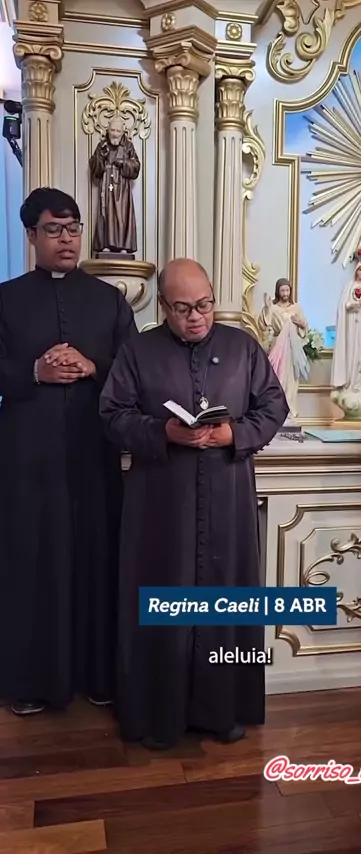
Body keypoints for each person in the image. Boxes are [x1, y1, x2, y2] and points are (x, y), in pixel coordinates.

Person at [99, 258, 289, 750]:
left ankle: (224, 711)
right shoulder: (138, 351)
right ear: (164, 306)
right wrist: (163, 431)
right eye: (183, 308)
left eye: (204, 305)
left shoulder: (242, 347)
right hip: (161, 505)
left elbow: (274, 406)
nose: (196, 317)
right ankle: (157, 717)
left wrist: (234, 433)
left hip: (227, 498)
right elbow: (112, 414)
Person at [0, 186, 137, 716]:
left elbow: (137, 371)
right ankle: (34, 683)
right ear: (31, 236)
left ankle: (99, 676)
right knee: (33, 564)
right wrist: (34, 371)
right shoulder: (6, 298)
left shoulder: (109, 300)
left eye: (73, 229)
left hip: (92, 458)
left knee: (97, 560)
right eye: (54, 230)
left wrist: (94, 367)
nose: (67, 239)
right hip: (26, 462)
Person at [258, 278, 309, 418]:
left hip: (292, 348)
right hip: (278, 346)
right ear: (278, 291)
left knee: (291, 380)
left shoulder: (296, 308)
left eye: (287, 290)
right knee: (277, 377)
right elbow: (264, 324)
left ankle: (290, 409)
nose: (285, 293)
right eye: (282, 290)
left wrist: (302, 324)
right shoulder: (273, 308)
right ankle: (277, 410)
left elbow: (304, 327)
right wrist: (267, 308)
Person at [89, 115, 140, 254]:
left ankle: (123, 245)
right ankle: (106, 244)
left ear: (123, 131)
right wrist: (101, 156)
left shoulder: (128, 146)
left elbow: (136, 165)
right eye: (112, 130)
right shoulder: (102, 145)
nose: (115, 134)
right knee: (106, 214)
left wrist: (124, 163)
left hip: (122, 187)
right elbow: (94, 165)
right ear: (108, 130)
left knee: (122, 215)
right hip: (107, 183)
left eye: (118, 131)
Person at [331, 251, 361, 394]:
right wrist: (350, 305)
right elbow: (342, 305)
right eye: (360, 270)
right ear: (356, 270)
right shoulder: (349, 285)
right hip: (351, 323)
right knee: (351, 351)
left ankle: (360, 383)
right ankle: (349, 382)